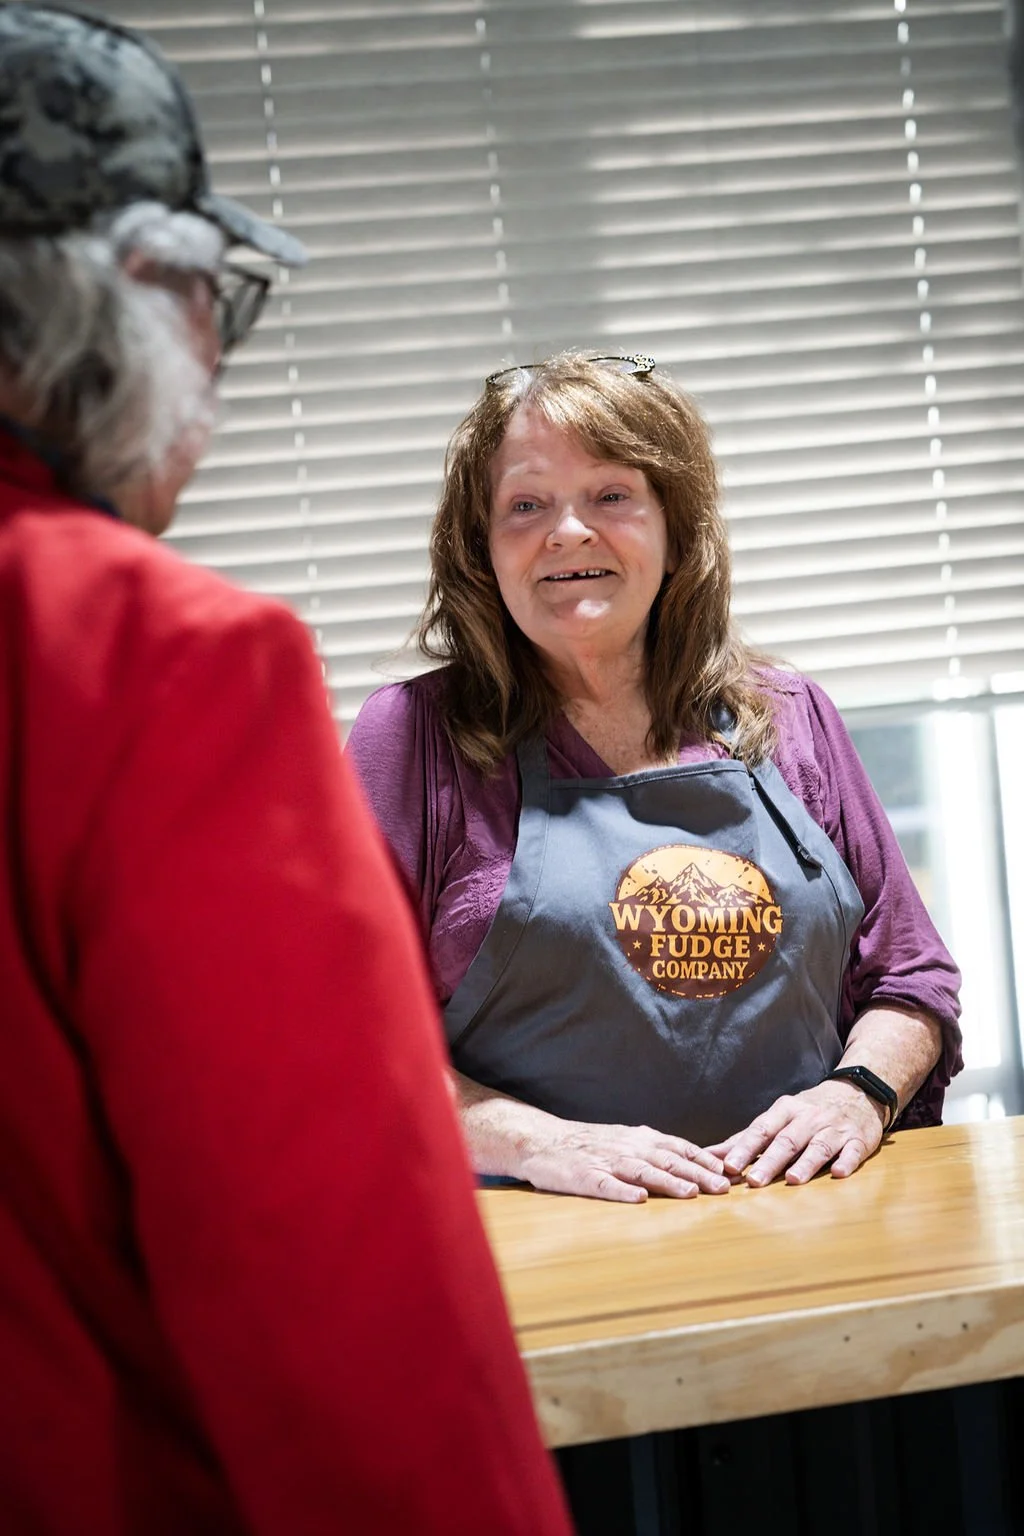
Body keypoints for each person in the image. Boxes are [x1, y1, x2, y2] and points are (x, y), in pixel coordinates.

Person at [0, 8, 573, 1534]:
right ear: (105, 301)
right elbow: (333, 1282)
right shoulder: (147, 660)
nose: (216, 365)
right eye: (209, 301)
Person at [348, 351, 963, 1205]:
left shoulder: (789, 716)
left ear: (674, 530)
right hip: (546, 1241)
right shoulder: (416, 739)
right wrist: (538, 1141)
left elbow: (911, 981)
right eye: (526, 505)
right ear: (483, 549)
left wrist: (856, 1093)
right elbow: (344, 1034)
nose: (568, 532)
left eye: (610, 495)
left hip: (810, 1220)